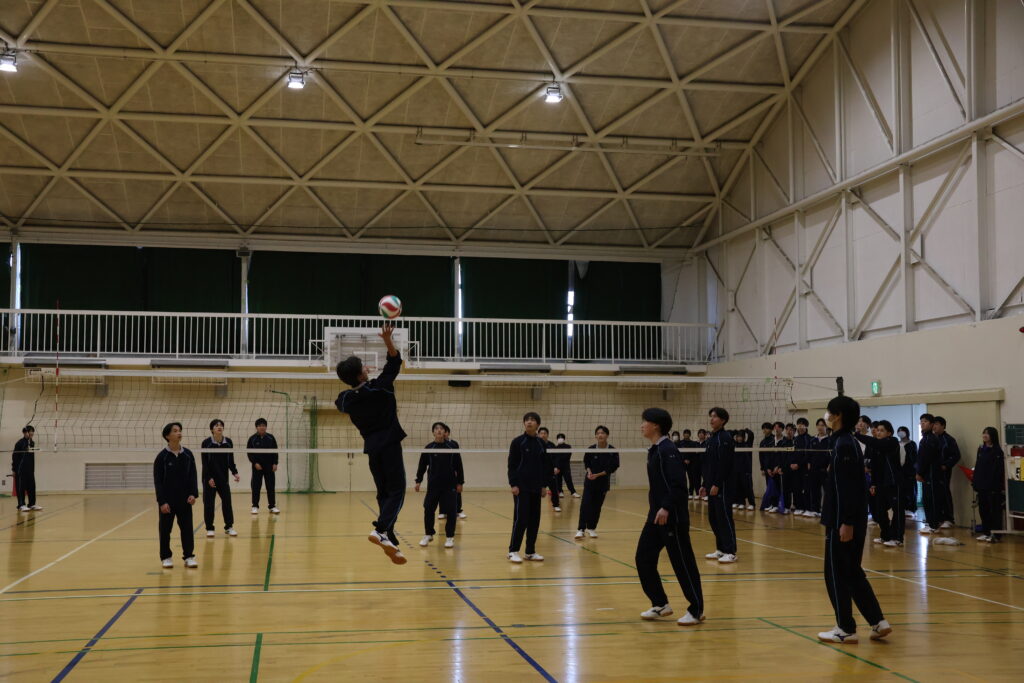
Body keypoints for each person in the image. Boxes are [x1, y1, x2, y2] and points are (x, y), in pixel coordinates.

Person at [817, 395, 891, 644]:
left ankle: (845, 628)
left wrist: (846, 522)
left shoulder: (845, 445)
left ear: (838, 416)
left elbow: (847, 489)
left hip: (843, 522)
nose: (827, 416)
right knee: (852, 572)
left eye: (830, 412)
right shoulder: (844, 442)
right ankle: (878, 621)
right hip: (846, 519)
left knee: (835, 574)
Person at [336, 323, 408, 565]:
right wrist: (387, 340)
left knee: (384, 493)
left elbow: (342, 401)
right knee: (398, 491)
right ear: (360, 375)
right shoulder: (381, 388)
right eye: (363, 368)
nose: (367, 368)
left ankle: (389, 537)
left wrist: (360, 385)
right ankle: (381, 530)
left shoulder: (346, 399)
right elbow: (395, 363)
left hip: (372, 448)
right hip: (390, 445)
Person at [635, 407, 705, 626]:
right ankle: (660, 603)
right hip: (655, 517)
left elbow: (678, 484)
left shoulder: (668, 450)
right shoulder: (655, 450)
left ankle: (696, 609)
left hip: (672, 517)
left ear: (656, 425)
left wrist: (666, 507)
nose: (642, 425)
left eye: (645, 421)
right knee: (643, 558)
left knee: (682, 563)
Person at [507, 412, 553, 563]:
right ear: (524, 423)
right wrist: (513, 484)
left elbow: (545, 466)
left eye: (532, 420)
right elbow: (512, 465)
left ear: (538, 424)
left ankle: (530, 552)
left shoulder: (541, 444)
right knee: (521, 519)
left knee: (534, 520)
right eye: (527, 420)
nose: (529, 422)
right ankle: (513, 550)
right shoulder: (517, 442)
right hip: (521, 487)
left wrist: (544, 485)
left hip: (536, 487)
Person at [154, 422, 199, 569]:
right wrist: (162, 502)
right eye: (175, 431)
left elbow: (193, 476)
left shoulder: (188, 455)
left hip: (185, 500)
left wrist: (193, 494)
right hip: (168, 501)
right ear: (167, 436)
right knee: (165, 530)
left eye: (179, 430)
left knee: (187, 529)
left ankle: (189, 556)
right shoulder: (162, 457)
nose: (179, 433)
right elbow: (158, 482)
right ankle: (166, 557)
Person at [853, 420, 904, 546]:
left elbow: (875, 442)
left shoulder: (892, 442)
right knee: (880, 511)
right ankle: (885, 536)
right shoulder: (876, 447)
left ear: (889, 433)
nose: (879, 432)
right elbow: (875, 467)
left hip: (893, 482)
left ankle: (897, 538)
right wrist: (873, 484)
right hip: (881, 483)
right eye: (878, 430)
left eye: (882, 430)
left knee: (897, 511)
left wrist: (857, 434)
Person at [415, 422, 464, 549]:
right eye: (436, 429)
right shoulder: (429, 447)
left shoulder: (452, 447)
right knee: (428, 508)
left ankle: (449, 537)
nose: (439, 430)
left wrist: (460, 482)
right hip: (433, 485)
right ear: (433, 432)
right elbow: (422, 465)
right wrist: (418, 480)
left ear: (445, 432)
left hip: (449, 485)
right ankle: (428, 534)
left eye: (441, 428)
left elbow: (459, 465)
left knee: (451, 511)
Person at [700, 407, 737, 563]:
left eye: (715, 416)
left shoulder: (725, 438)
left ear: (723, 420)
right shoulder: (711, 439)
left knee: (724, 517)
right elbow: (708, 464)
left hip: (723, 485)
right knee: (714, 518)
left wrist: (717, 484)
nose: (712, 419)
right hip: (711, 485)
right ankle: (721, 549)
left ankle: (731, 551)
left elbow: (725, 464)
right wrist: (704, 484)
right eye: (711, 416)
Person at [576, 425, 620, 539]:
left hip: (603, 483)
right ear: (595, 436)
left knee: (596, 506)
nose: (600, 435)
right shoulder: (591, 448)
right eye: (598, 433)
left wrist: (598, 475)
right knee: (585, 505)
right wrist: (589, 472)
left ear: (607, 435)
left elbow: (614, 467)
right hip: (590, 482)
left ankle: (591, 528)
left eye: (603, 433)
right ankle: (581, 529)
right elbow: (586, 462)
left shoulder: (612, 450)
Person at [201, 419, 240, 538]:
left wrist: (235, 472)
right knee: (209, 504)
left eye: (221, 425)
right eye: (216, 425)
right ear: (212, 429)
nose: (219, 427)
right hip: (209, 478)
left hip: (223, 477)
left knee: (227, 502)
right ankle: (209, 528)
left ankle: (229, 527)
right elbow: (204, 463)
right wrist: (208, 478)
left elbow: (230, 459)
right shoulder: (206, 443)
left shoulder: (228, 442)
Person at [973, 427, 1004, 542]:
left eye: (988, 433)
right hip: (981, 485)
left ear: (993, 436)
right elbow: (978, 466)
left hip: (992, 486)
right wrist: (975, 482)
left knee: (994, 511)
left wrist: (995, 484)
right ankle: (986, 532)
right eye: (984, 433)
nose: (985, 435)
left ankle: (996, 535)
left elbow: (998, 470)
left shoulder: (997, 451)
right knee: (983, 509)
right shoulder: (981, 449)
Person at [247, 418, 280, 515]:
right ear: (256, 427)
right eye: (260, 426)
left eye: (264, 425)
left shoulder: (271, 438)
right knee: (256, 487)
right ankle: (255, 506)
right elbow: (249, 453)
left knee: (270, 486)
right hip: (257, 466)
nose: (262, 427)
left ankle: (272, 506)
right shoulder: (252, 439)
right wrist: (255, 463)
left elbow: (275, 451)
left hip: (269, 466)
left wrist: (275, 463)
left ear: (266, 427)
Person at [916, 414, 942, 534]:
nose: (922, 423)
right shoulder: (925, 438)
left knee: (932, 499)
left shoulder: (931, 439)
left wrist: (919, 472)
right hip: (927, 474)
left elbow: (926, 459)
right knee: (927, 499)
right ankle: (930, 523)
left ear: (932, 424)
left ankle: (934, 525)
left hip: (931, 474)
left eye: (925, 421)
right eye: (921, 421)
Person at [933, 417, 960, 528]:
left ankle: (949, 519)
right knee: (934, 494)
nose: (934, 426)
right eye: (933, 424)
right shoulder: (931, 438)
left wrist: (946, 465)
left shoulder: (949, 439)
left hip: (943, 471)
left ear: (943, 426)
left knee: (944, 493)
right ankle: (937, 518)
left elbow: (956, 455)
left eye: (937, 424)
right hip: (932, 471)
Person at [440, 424, 467, 520]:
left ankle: (458, 511)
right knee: (441, 492)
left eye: (445, 431)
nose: (443, 433)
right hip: (441, 473)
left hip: (453, 473)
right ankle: (443, 511)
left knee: (456, 492)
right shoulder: (436, 444)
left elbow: (457, 460)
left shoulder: (454, 444)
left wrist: (458, 476)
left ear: (447, 433)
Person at [12, 426, 41, 512]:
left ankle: (32, 504)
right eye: (30, 431)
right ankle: (21, 505)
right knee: (21, 488)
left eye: (32, 431)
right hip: (20, 470)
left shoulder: (32, 443)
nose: (32, 433)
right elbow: (14, 457)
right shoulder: (19, 443)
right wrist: (14, 469)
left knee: (32, 487)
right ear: (25, 433)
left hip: (30, 470)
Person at [806, 418, 830, 518]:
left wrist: (830, 465)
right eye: (819, 425)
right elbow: (808, 454)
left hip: (825, 470)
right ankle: (815, 510)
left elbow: (833, 455)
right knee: (814, 490)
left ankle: (827, 511)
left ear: (826, 427)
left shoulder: (830, 440)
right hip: (814, 469)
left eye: (822, 425)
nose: (820, 427)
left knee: (827, 491)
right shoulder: (812, 440)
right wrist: (808, 463)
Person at [792, 418, 813, 515]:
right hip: (795, 468)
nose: (800, 426)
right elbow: (792, 453)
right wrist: (792, 463)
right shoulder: (795, 439)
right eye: (798, 424)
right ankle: (799, 507)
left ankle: (807, 508)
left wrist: (799, 464)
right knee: (796, 488)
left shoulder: (809, 439)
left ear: (806, 426)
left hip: (804, 468)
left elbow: (807, 455)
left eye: (802, 424)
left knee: (806, 489)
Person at [538, 427, 561, 512]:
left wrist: (556, 467)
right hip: (539, 472)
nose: (543, 435)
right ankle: (535, 506)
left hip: (550, 471)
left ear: (547, 435)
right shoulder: (536, 444)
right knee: (537, 491)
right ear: (538, 434)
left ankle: (556, 505)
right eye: (541, 433)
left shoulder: (551, 445)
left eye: (545, 433)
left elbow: (556, 457)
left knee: (554, 490)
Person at [897, 427, 918, 517]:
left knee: (911, 490)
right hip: (899, 471)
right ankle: (902, 508)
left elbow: (914, 457)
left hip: (909, 471)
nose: (900, 433)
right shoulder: (897, 444)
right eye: (899, 431)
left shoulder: (912, 443)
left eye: (902, 431)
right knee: (901, 490)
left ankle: (911, 509)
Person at [732, 430, 755, 510]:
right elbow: (729, 435)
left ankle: (752, 503)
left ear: (744, 437)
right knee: (737, 487)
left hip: (746, 470)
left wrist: (746, 430)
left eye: (741, 437)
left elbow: (751, 435)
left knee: (748, 487)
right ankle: (740, 502)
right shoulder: (734, 444)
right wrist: (735, 432)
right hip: (736, 470)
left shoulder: (747, 444)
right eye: (738, 437)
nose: (739, 438)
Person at [554, 433, 579, 498]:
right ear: (557, 439)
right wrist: (556, 467)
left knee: (568, 480)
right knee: (558, 480)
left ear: (564, 439)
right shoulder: (555, 448)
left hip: (565, 467)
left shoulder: (568, 446)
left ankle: (573, 492)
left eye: (561, 437)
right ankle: (560, 492)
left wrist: (559, 463)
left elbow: (567, 456)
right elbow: (555, 458)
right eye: (559, 438)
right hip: (557, 467)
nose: (560, 439)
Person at [758, 423, 777, 512]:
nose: (765, 430)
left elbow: (775, 456)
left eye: (767, 428)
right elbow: (761, 456)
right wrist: (763, 468)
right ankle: (770, 504)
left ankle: (775, 504)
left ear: (771, 429)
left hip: (775, 468)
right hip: (766, 469)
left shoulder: (774, 440)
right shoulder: (762, 442)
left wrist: (774, 467)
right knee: (769, 486)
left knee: (775, 487)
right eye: (764, 428)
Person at [679, 429, 702, 500]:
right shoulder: (680, 443)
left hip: (691, 463)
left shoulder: (693, 443)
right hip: (682, 463)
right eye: (685, 433)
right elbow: (678, 453)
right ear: (683, 434)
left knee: (692, 478)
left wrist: (689, 460)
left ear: (689, 434)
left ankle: (692, 493)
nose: (686, 434)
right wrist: (684, 460)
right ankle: (683, 493)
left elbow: (694, 453)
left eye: (687, 433)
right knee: (682, 479)